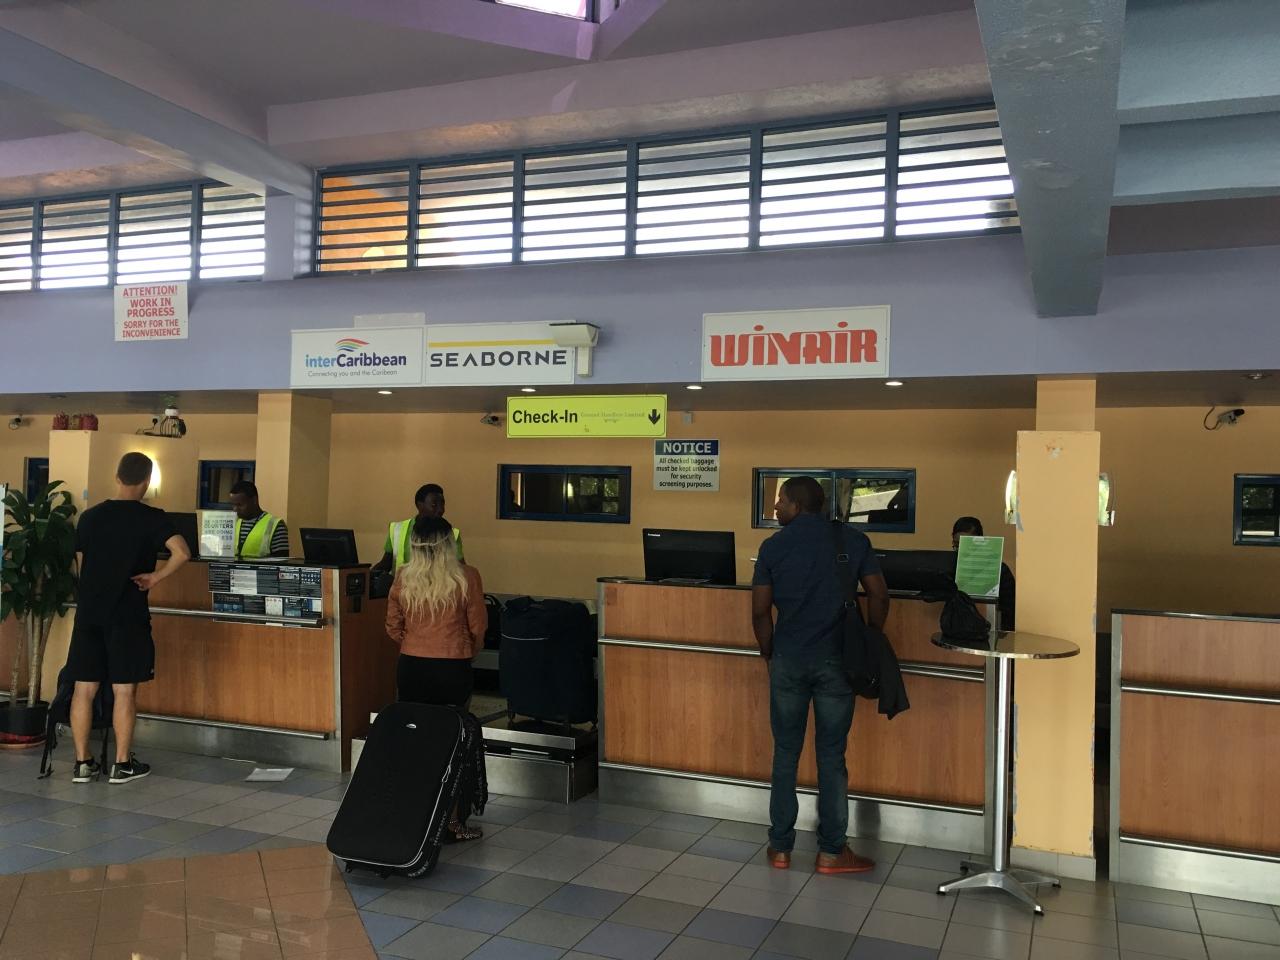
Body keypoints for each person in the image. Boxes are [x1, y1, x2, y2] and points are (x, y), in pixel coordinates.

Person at [752, 476, 890, 874]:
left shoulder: (773, 547)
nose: (776, 507)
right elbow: (879, 594)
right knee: (831, 756)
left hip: (789, 659)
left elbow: (760, 611)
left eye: (780, 501)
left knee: (785, 753)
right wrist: (871, 637)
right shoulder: (853, 541)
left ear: (797, 505)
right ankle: (831, 852)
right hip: (836, 662)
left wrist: (768, 653)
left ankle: (780, 848)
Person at [68, 452, 191, 784]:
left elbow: (80, 562)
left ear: (117, 477)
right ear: (147, 482)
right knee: (124, 690)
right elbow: (182, 552)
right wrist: (155, 578)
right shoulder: (152, 518)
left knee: (83, 688)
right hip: (127, 613)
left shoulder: (90, 517)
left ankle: (82, 763)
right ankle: (122, 764)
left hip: (89, 613)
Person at [385, 515, 487, 840]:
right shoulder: (467, 576)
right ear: (449, 546)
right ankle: (451, 823)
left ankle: (412, 817)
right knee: (452, 744)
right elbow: (478, 626)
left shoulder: (404, 576)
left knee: (414, 742)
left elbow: (392, 625)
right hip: (452, 668)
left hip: (412, 667)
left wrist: (415, 643)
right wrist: (465, 651)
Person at [375, 483, 464, 573]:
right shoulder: (397, 530)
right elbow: (385, 564)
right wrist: (368, 574)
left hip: (439, 582)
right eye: (434, 505)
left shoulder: (452, 533)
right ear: (419, 505)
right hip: (403, 582)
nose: (441, 509)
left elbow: (461, 568)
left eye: (442, 504)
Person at [951, 516, 1016, 629]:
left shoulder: (1000, 570)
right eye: (957, 545)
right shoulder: (949, 566)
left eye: (967, 546)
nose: (961, 551)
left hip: (992, 627)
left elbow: (1009, 609)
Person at [228, 480, 290, 558]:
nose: (235, 509)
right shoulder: (232, 523)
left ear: (254, 500)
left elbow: (282, 560)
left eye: (240, 505)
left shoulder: (275, 525)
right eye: (233, 505)